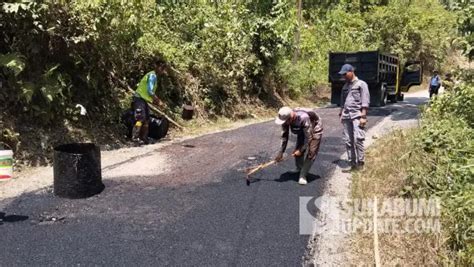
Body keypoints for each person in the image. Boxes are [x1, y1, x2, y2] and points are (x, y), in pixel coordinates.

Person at [274, 106, 323, 185]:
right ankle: (299, 168)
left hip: (314, 128)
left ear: (291, 118)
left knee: (311, 152)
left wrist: (301, 150)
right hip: (302, 128)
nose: (284, 124)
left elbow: (309, 137)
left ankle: (303, 175)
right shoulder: (285, 119)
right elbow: (284, 137)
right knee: (298, 147)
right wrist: (281, 152)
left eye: (285, 122)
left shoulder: (303, 118)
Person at [338, 64, 370, 171]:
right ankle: (352, 164)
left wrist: (363, 116)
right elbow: (342, 102)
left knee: (358, 139)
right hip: (347, 116)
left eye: (345, 74)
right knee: (348, 141)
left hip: (357, 115)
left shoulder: (361, 84)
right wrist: (341, 113)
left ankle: (360, 164)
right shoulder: (345, 86)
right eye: (342, 74)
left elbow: (365, 101)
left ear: (351, 71)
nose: (344, 76)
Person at [131, 60, 166, 144]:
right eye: (162, 68)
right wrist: (158, 101)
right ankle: (135, 138)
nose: (162, 71)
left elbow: (149, 94)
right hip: (139, 99)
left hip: (143, 100)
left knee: (146, 119)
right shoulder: (152, 76)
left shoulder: (154, 76)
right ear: (157, 67)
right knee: (140, 118)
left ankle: (144, 138)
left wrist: (155, 101)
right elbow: (150, 91)